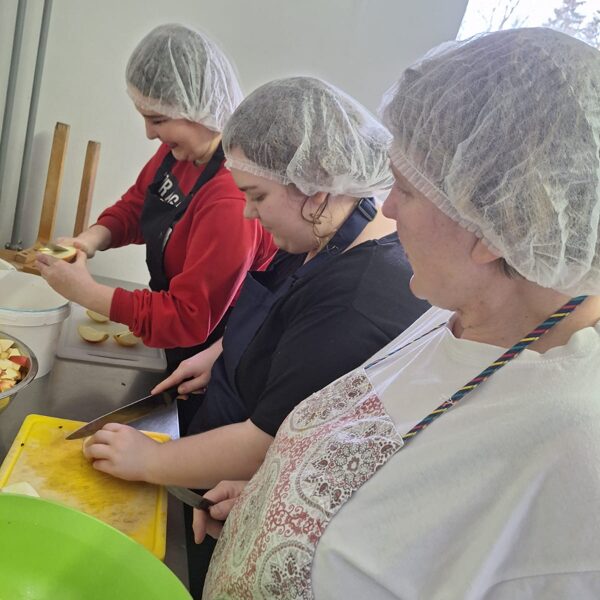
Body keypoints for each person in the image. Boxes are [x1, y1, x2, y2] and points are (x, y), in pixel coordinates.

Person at [194, 28, 600, 599]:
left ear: (493, 221)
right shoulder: (459, 313)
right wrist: (279, 507)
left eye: (406, 188)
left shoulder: (572, 449)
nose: (385, 205)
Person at [81, 76, 430, 596]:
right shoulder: (326, 227)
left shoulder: (355, 301)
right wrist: (221, 352)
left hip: (234, 482)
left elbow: (263, 443)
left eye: (257, 196)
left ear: (315, 190)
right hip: (217, 442)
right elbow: (278, 308)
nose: (247, 211)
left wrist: (149, 460)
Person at [36, 24, 275, 371]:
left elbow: (188, 317)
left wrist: (87, 293)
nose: (149, 134)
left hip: (206, 358)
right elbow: (139, 205)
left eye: (158, 120)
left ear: (200, 110)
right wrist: (88, 241)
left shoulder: (231, 200)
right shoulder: (179, 153)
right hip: (166, 333)